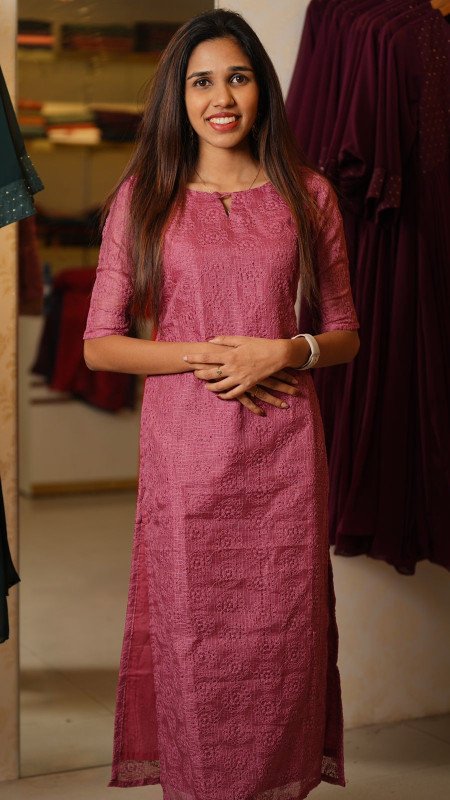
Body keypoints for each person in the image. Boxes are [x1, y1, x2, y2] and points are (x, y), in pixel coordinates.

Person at [83, 9, 360, 800]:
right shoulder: (146, 197)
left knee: (284, 642)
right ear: (179, 96)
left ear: (261, 88)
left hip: (285, 456)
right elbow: (101, 344)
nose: (222, 98)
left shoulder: (308, 194)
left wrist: (287, 350)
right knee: (194, 642)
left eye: (237, 77)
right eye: (201, 82)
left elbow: (345, 333)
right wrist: (202, 354)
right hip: (186, 458)